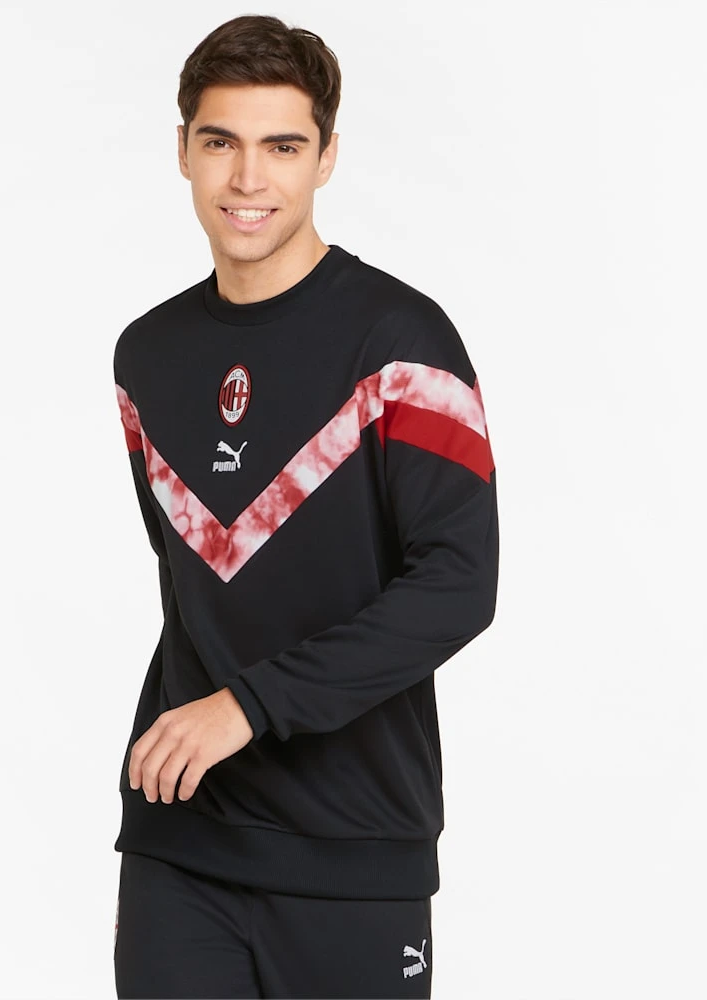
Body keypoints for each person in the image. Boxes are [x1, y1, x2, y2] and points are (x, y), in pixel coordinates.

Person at [110, 13, 499, 999]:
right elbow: (188, 579)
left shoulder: (401, 343)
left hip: (353, 848)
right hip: (180, 838)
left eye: (282, 146)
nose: (248, 178)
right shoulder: (145, 356)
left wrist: (248, 706)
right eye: (221, 142)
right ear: (184, 151)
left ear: (325, 157)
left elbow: (457, 585)